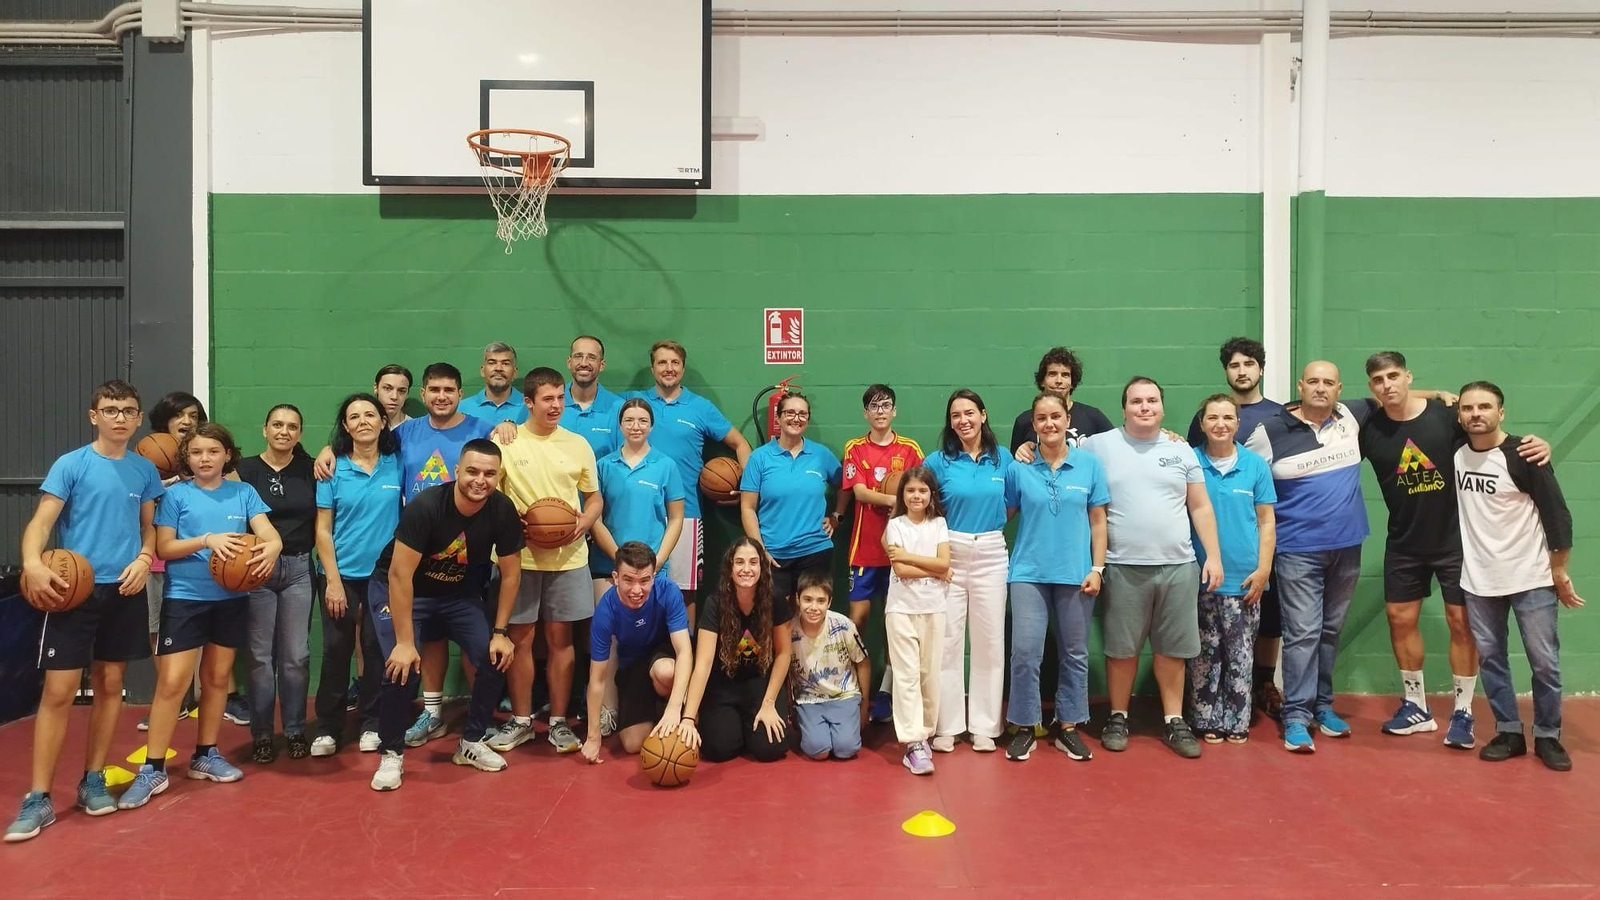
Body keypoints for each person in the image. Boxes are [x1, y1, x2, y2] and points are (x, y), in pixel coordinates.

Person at [1358, 352, 1548, 748]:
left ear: (1408, 376)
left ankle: (1462, 711)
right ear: (1371, 386)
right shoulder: (1368, 428)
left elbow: (1493, 433)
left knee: (1462, 624)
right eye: (1378, 379)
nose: (1387, 384)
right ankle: (1416, 706)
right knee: (1399, 618)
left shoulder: (1447, 416)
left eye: (1394, 376)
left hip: (1455, 542)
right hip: (1404, 543)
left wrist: (1536, 444)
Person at [5, 381, 163, 843]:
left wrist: (141, 559)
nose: (120, 417)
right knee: (59, 689)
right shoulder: (71, 464)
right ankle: (38, 797)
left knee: (112, 683)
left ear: (137, 419)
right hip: (74, 591)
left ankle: (93, 778)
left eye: (128, 411)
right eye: (110, 410)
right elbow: (41, 522)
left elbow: (149, 530)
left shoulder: (144, 471)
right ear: (94, 415)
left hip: (126, 589)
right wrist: (33, 563)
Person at [119, 423, 283, 810]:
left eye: (212, 451)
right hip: (185, 598)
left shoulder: (244, 493)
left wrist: (272, 546)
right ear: (186, 459)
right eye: (196, 453)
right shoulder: (176, 495)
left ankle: (205, 754)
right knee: (173, 683)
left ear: (228, 455)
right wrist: (207, 540)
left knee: (216, 679)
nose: (204, 459)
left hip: (230, 599)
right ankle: (152, 767)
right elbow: (165, 546)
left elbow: (269, 533)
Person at [368, 440, 523, 791]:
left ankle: (471, 742)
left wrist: (500, 631)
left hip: (458, 594)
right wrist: (405, 642)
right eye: (472, 471)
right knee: (401, 665)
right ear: (457, 472)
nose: (479, 480)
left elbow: (512, 574)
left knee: (494, 656)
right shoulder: (427, 507)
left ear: (498, 477)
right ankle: (391, 754)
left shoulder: (501, 510)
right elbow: (398, 575)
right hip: (404, 590)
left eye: (489, 473)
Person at [1082, 377, 1223, 759]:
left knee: (1172, 651)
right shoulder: (1098, 446)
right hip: (1123, 566)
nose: (1145, 407)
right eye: (1136, 401)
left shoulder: (1182, 451)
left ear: (1162, 407)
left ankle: (1173, 719)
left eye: (1152, 401)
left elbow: (1200, 507)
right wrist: (1028, 447)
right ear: (1123, 408)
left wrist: (1213, 555)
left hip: (1178, 566)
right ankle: (1117, 715)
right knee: (1121, 650)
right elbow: (1056, 447)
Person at [1243, 361, 1371, 753]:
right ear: (1300, 385)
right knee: (1302, 634)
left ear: (1339, 388)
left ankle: (1322, 706)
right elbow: (1241, 471)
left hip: (1347, 547)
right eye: (1312, 381)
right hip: (1297, 550)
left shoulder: (1350, 415)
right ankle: (1296, 716)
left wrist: (1437, 396)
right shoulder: (1270, 432)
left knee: (1330, 632)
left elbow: (1393, 397)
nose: (1320, 388)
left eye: (1328, 382)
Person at [1455, 382, 1580, 771]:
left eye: (1485, 407)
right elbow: (1409, 400)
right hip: (1478, 579)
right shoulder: (1456, 453)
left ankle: (1547, 736)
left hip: (1530, 577)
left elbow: (1557, 516)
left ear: (1501, 412)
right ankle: (1509, 731)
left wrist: (1558, 571)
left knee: (1544, 662)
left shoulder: (1525, 454)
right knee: (1491, 658)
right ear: (1459, 414)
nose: (1476, 414)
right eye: (1468, 407)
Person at [388, 362, 502, 747]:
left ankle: (478, 719)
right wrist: (327, 451)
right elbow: (360, 446)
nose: (441, 397)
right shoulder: (404, 433)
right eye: (434, 390)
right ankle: (432, 713)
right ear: (423, 394)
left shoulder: (482, 430)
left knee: (478, 642)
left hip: (469, 555)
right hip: (419, 551)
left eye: (449, 390)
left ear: (459, 393)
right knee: (431, 639)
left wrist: (510, 428)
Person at [490, 368, 602, 756]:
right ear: (528, 402)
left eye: (560, 398)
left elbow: (594, 498)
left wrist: (585, 522)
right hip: (518, 559)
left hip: (569, 558)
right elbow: (489, 494)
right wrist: (510, 520)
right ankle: (521, 721)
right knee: (519, 640)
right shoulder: (506, 441)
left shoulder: (577, 444)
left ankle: (557, 722)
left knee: (561, 640)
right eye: (548, 399)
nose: (556, 406)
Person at [1002, 394, 1109, 762]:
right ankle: (1026, 726)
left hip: (1076, 574)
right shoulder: (1019, 468)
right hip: (1028, 573)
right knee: (1026, 654)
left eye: (1056, 417)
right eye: (1042, 418)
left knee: (1075, 654)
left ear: (1067, 420)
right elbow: (1002, 513)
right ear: (1033, 424)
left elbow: (1098, 521)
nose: (1049, 424)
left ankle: (1068, 726)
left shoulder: (1089, 465)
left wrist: (1097, 569)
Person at [1185, 337, 1287, 720]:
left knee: (1245, 645)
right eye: (1234, 364)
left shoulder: (1276, 424)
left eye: (1249, 363)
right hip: (1201, 571)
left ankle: (1243, 711)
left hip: (1249, 564)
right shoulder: (1191, 458)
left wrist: (1263, 567)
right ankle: (1203, 716)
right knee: (1204, 649)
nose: (1242, 370)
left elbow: (1266, 519)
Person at [309, 393, 400, 757]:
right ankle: (328, 728)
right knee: (335, 649)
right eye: (354, 416)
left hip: (383, 576)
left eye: (370, 414)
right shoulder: (332, 469)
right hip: (340, 573)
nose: (363, 421)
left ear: (382, 421)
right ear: (345, 426)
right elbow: (322, 530)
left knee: (377, 649)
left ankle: (372, 722)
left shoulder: (398, 463)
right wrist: (332, 580)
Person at [588, 398, 685, 735]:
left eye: (643, 420)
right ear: (620, 424)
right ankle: (609, 710)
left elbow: (675, 519)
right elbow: (595, 517)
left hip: (652, 568)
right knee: (610, 639)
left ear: (651, 425)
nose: (636, 426)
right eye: (629, 420)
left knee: (657, 635)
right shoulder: (603, 465)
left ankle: (667, 705)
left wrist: (654, 561)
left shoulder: (666, 465)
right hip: (608, 564)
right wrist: (620, 561)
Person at [922, 389, 1010, 753]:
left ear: (983, 416)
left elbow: (1014, 503)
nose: (963, 420)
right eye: (956, 415)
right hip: (950, 555)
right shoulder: (938, 461)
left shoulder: (1003, 459)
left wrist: (987, 532)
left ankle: (985, 727)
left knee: (990, 643)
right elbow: (921, 506)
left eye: (970, 413)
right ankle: (948, 725)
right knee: (947, 642)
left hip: (991, 551)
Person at [638, 340, 752, 621]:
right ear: (652, 368)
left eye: (674, 363)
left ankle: (685, 655)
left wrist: (747, 489)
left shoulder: (700, 407)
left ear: (683, 368)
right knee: (639, 589)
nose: (669, 368)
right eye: (662, 363)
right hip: (641, 513)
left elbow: (740, 444)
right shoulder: (634, 404)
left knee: (685, 593)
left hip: (687, 513)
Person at [836, 384, 923, 722]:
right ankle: (853, 690)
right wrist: (896, 500)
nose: (881, 411)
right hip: (864, 550)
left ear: (894, 411)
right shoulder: (855, 448)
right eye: (874, 406)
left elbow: (923, 487)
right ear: (866, 413)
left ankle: (887, 693)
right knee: (857, 621)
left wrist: (906, 500)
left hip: (900, 551)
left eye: (886, 405)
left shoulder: (910, 448)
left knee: (895, 625)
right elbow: (858, 492)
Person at [235, 404, 317, 763]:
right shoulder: (243, 470)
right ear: (264, 429)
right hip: (255, 571)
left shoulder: (312, 469)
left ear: (300, 433)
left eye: (292, 426)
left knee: (296, 656)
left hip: (299, 567)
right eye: (278, 425)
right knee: (258, 657)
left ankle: (296, 728)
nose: (284, 431)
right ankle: (263, 734)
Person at [139, 391, 220, 729]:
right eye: (178, 415)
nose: (186, 421)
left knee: (208, 634)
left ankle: (209, 695)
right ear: (164, 421)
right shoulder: (146, 459)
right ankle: (171, 697)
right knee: (158, 629)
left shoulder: (204, 457)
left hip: (195, 558)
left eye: (193, 415)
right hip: (156, 558)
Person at [677, 538, 793, 763]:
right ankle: (733, 725)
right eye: (739, 562)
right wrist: (688, 718)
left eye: (753, 562)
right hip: (724, 684)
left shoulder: (775, 599)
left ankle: (750, 726)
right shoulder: (715, 603)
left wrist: (769, 703)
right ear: (730, 568)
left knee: (770, 748)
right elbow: (703, 663)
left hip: (760, 682)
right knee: (718, 748)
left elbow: (783, 653)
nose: (747, 569)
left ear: (762, 567)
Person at [579, 542, 694, 763]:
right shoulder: (606, 610)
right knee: (632, 744)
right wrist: (593, 737)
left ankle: (677, 710)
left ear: (654, 577)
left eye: (644, 580)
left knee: (666, 673)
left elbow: (685, 652)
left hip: (664, 654)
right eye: (628, 580)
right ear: (615, 577)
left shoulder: (668, 591)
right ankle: (658, 711)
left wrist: (674, 707)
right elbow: (597, 679)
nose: (636, 590)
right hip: (633, 663)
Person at [739, 391, 841, 606]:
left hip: (815, 550)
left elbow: (846, 485)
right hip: (773, 555)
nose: (797, 418)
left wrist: (836, 515)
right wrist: (760, 550)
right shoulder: (759, 457)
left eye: (803, 414)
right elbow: (747, 507)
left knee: (810, 616)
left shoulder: (821, 455)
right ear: (778, 417)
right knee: (776, 619)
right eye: (790, 412)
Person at [883, 467, 952, 773]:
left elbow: (946, 562)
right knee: (906, 675)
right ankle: (912, 743)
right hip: (900, 609)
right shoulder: (895, 525)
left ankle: (924, 734)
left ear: (931, 495)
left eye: (922, 491)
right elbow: (901, 571)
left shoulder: (939, 524)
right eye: (910, 490)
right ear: (903, 495)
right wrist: (935, 570)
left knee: (929, 674)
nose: (916, 496)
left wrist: (912, 557)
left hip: (934, 607)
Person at [790, 570, 870, 762]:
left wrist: (864, 705)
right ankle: (814, 730)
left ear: (829, 602)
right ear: (797, 599)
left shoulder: (843, 625)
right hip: (809, 700)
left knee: (846, 749)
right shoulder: (789, 630)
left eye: (820, 600)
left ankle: (841, 730)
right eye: (807, 599)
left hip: (844, 696)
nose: (813, 607)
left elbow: (863, 662)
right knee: (819, 750)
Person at [1008, 347, 1116, 455]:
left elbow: (1116, 449)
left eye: (1065, 375)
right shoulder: (1024, 421)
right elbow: (1015, 459)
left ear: (1072, 382)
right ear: (1042, 381)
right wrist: (1021, 451)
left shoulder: (1093, 417)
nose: (1059, 381)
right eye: (1052, 374)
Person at [458, 341, 528, 425]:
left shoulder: (529, 407)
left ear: (515, 372)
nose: (498, 368)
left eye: (505, 363)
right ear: (482, 370)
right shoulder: (462, 408)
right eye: (492, 363)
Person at [373, 363, 413, 429]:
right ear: (376, 388)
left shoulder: (414, 430)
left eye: (401, 391)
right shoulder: (365, 426)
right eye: (387, 388)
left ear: (407, 393)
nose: (394, 397)